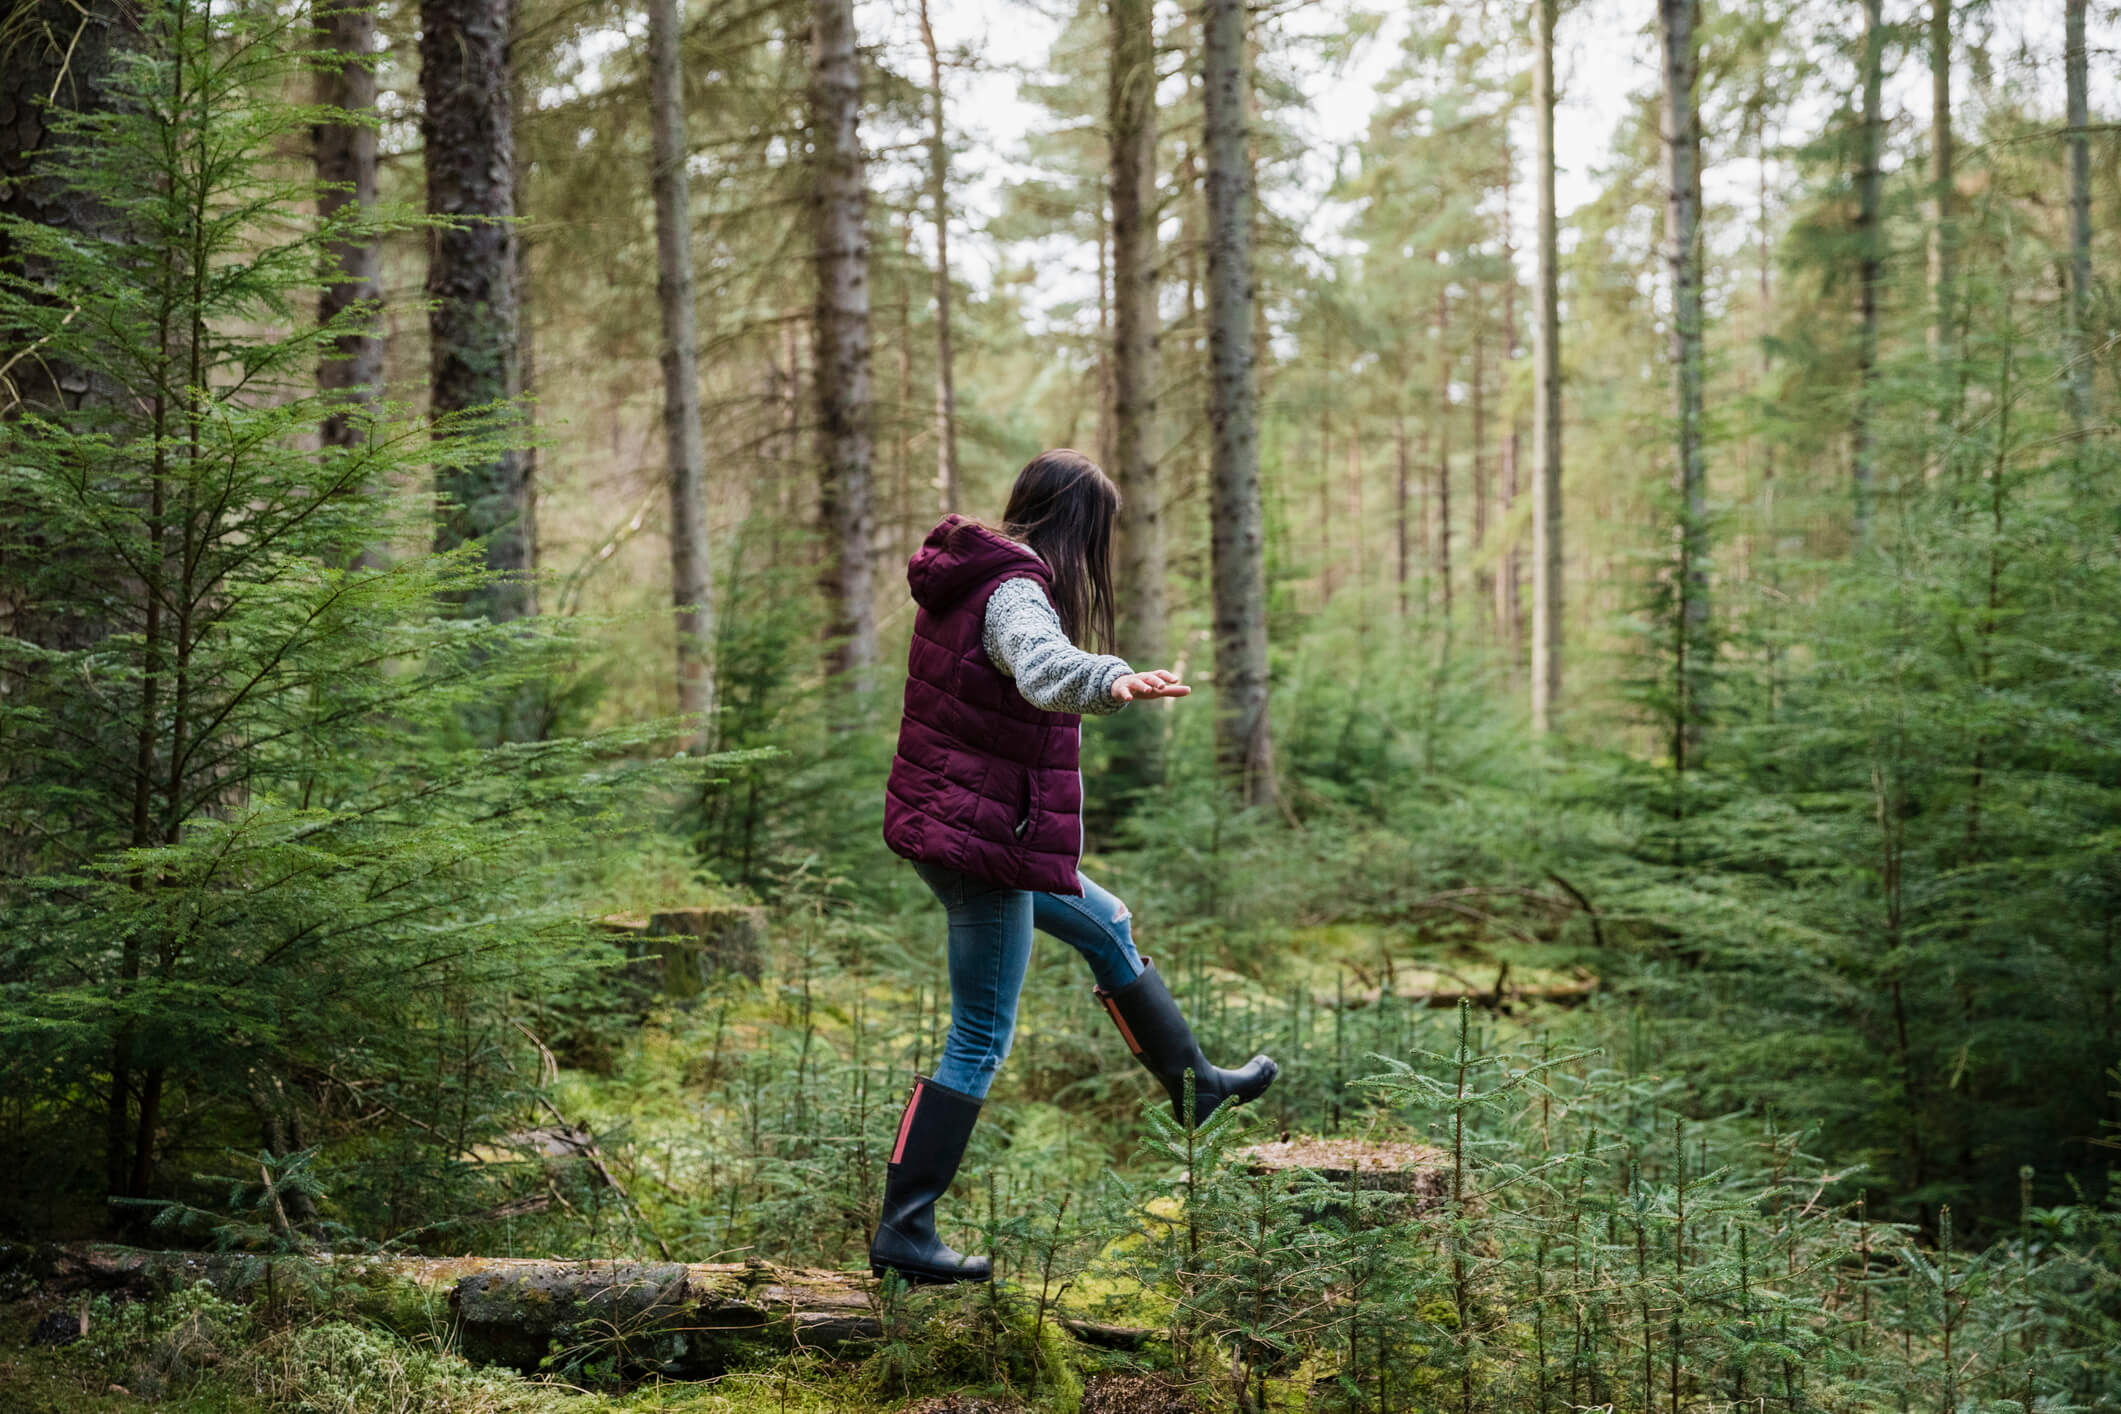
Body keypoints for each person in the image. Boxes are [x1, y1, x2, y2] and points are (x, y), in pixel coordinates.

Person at [871, 448, 1279, 1286]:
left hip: (975, 832)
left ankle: (1195, 1086)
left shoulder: (971, 577)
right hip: (984, 848)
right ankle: (904, 1234)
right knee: (979, 1037)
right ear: (1076, 526)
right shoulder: (1015, 589)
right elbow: (1039, 663)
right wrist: (1112, 678)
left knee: (1107, 922)